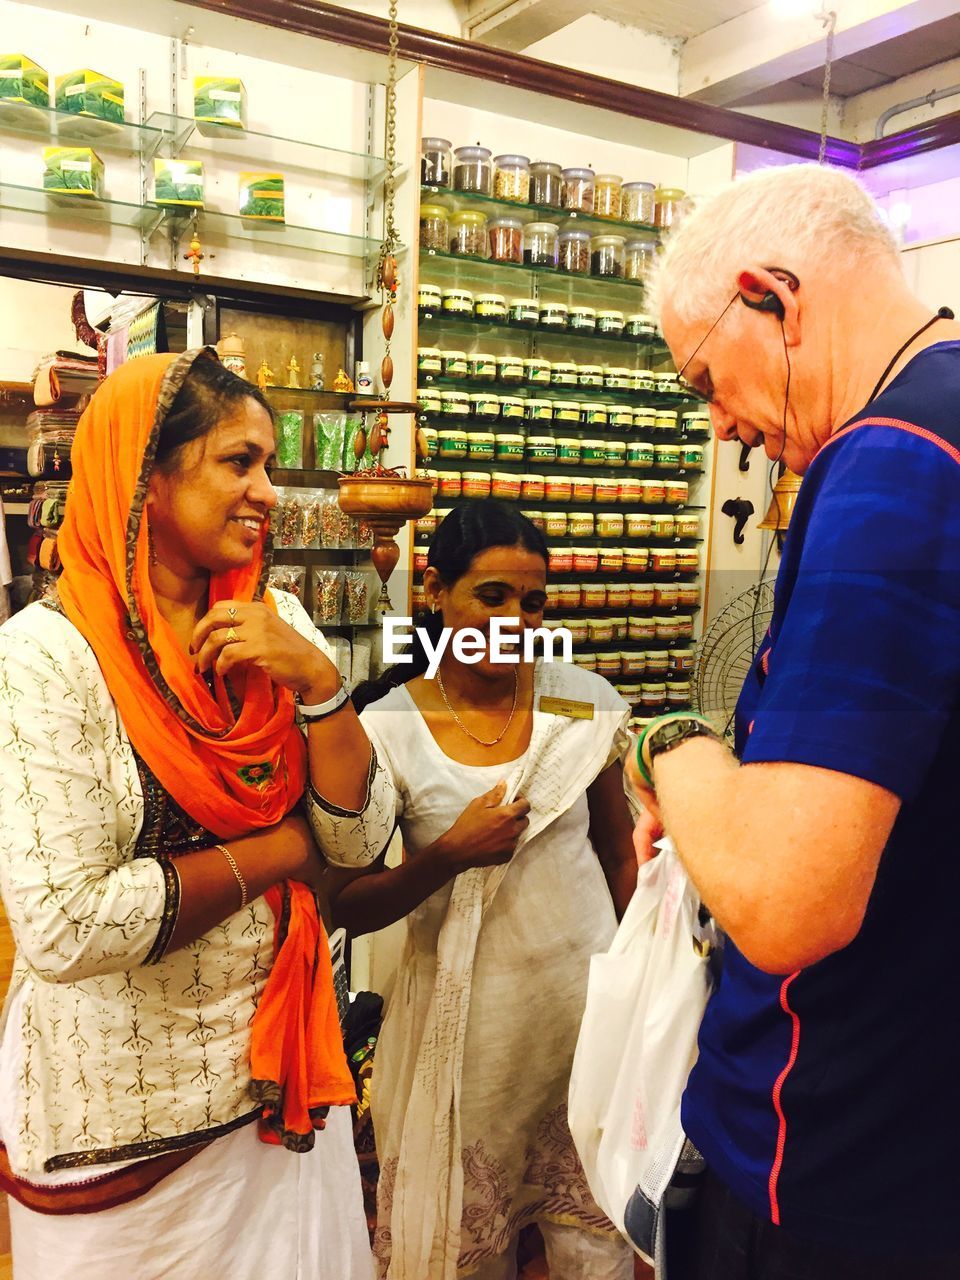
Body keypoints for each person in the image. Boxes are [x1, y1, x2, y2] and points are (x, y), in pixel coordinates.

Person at [626, 164, 960, 1277]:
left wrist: (669, 747)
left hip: (836, 1155)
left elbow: (784, 897)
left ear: (773, 295)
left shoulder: (894, 464)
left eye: (708, 380)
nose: (728, 429)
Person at [0, 350, 376, 1279]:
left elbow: (361, 840)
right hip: (126, 1127)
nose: (269, 492)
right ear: (148, 481)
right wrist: (285, 849)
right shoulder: (46, 658)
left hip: (278, 1085)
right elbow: (67, 925)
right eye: (238, 462)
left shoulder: (275, 621)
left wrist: (323, 691)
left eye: (272, 466)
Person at [311, 500, 638, 1280]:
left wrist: (637, 985)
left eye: (532, 603)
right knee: (466, 1246)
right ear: (434, 590)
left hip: (584, 1013)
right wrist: (449, 855)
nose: (514, 622)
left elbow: (618, 851)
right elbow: (346, 902)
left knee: (594, 1236)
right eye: (490, 596)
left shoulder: (575, 700)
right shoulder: (390, 726)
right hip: (473, 1040)